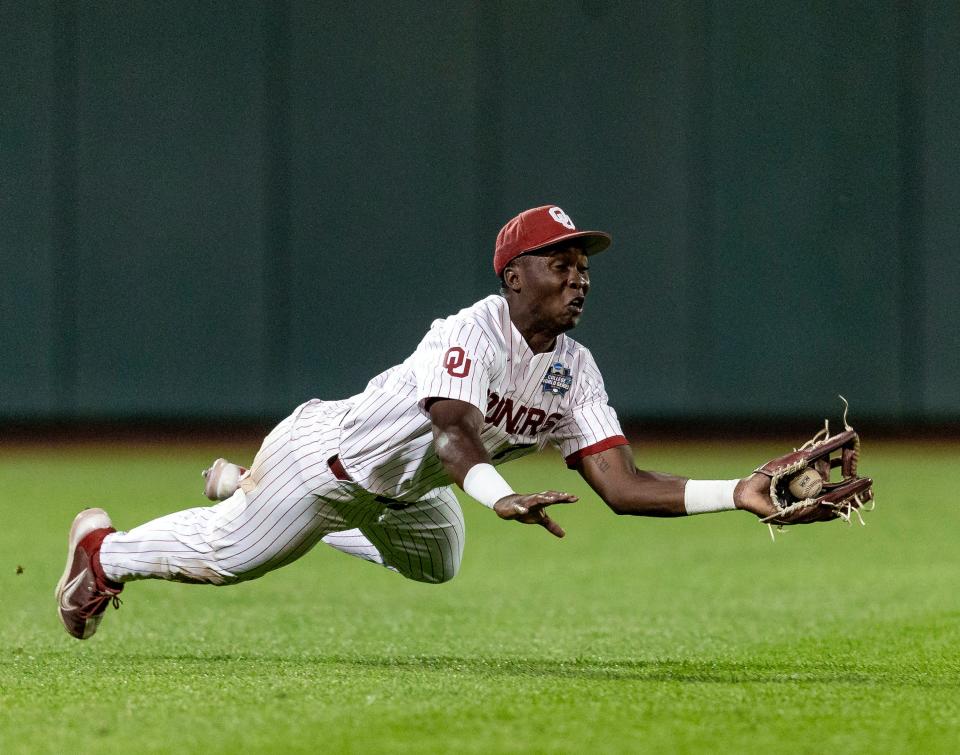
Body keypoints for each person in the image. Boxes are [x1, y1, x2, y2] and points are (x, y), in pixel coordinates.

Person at [55, 204, 778, 640]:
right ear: (513, 275)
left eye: (584, 265)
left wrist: (737, 489)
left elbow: (621, 484)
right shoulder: (468, 332)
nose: (580, 275)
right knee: (227, 559)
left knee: (441, 564)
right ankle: (101, 552)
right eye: (561, 261)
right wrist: (497, 496)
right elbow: (453, 433)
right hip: (325, 464)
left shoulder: (576, 370)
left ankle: (246, 485)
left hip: (409, 492)